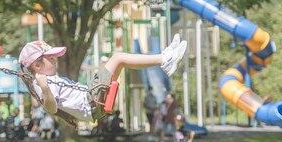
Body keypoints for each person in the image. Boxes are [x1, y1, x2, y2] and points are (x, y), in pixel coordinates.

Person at [19, 34, 187, 123]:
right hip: (89, 101)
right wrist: (46, 89)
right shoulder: (42, 83)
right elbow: (52, 108)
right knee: (117, 58)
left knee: (120, 62)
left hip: (90, 99)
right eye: (51, 58)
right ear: (37, 66)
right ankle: (164, 60)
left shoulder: (47, 78)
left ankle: (164, 58)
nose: (55, 59)